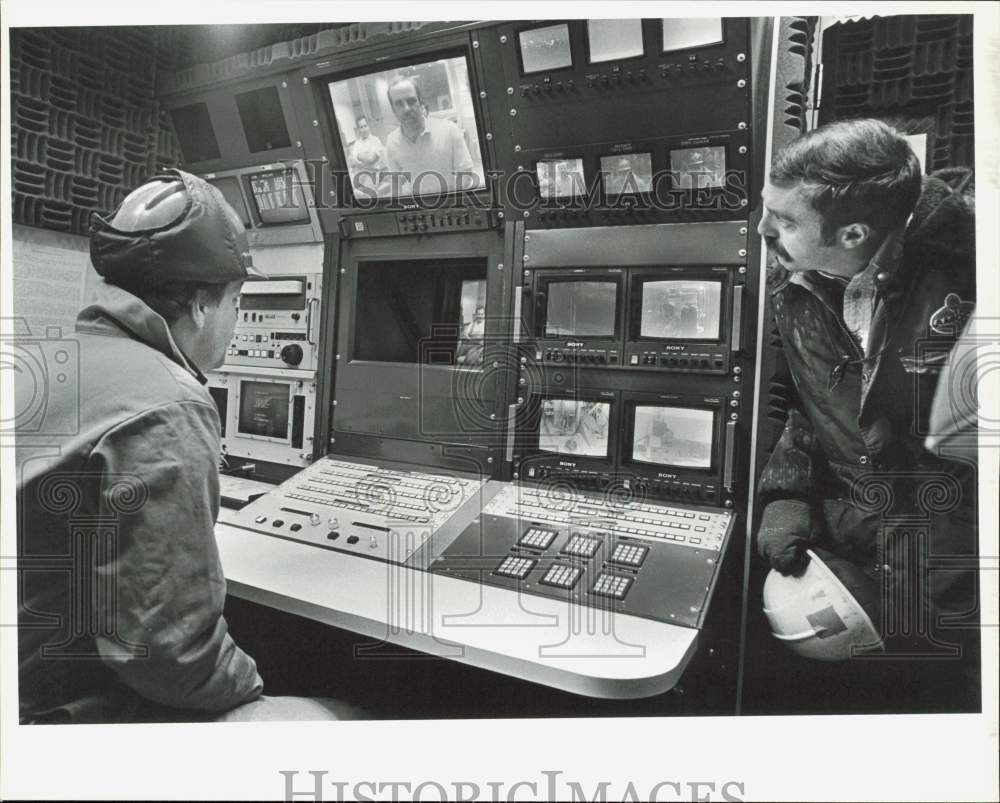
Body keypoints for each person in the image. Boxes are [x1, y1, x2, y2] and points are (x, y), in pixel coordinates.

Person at [15, 170, 363, 723]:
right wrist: (256, 690)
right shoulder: (169, 403)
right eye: (236, 300)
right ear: (202, 305)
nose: (234, 318)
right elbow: (170, 652)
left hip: (21, 687)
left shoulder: (44, 363)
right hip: (62, 715)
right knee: (342, 717)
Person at [755, 119, 978, 709]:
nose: (762, 231)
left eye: (784, 221)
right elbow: (811, 405)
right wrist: (788, 494)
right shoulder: (798, 281)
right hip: (857, 552)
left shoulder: (975, 278)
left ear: (852, 232)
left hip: (953, 571)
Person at [384, 76, 477, 195]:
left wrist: (450, 201)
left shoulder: (448, 129)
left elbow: (465, 172)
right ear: (393, 109)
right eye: (399, 104)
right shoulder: (391, 141)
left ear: (420, 101)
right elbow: (398, 184)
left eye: (411, 101)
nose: (407, 109)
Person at [346, 114, 387, 194]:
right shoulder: (357, 143)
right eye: (361, 127)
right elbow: (352, 162)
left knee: (365, 191)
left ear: (368, 126)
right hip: (360, 173)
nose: (364, 129)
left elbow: (371, 159)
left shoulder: (375, 140)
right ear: (358, 129)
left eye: (365, 126)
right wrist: (363, 159)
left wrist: (359, 157)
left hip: (374, 173)